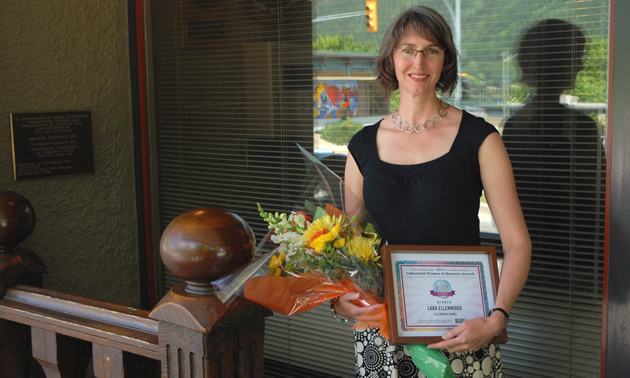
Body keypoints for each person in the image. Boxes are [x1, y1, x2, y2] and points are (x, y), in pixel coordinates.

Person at [334, 6, 532, 377]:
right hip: (381, 335)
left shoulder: (480, 139)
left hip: (462, 333)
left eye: (432, 50)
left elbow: (518, 243)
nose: (419, 61)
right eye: (408, 49)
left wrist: (496, 319)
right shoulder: (360, 146)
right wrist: (339, 300)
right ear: (391, 58)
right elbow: (349, 242)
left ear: (445, 61)